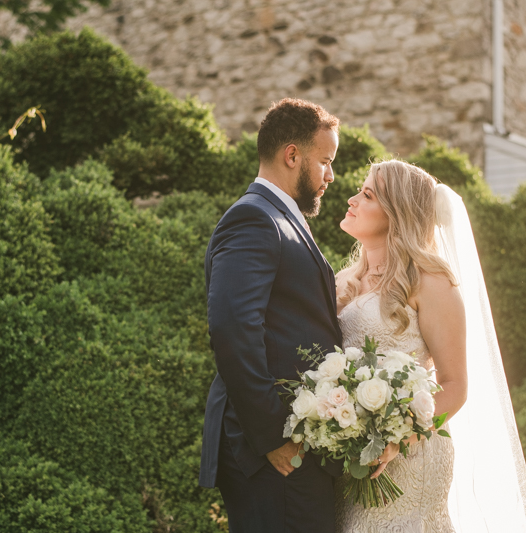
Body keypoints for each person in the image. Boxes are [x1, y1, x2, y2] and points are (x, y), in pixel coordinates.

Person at [333, 161, 526, 532]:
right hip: (350, 457)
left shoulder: (431, 282)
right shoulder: (344, 281)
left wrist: (397, 437)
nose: (351, 199)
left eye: (367, 195)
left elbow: (456, 385)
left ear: (397, 212)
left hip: (410, 458)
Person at [198, 98, 344, 532]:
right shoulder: (254, 218)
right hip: (270, 451)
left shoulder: (282, 217)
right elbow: (232, 327)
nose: (330, 175)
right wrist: (272, 437)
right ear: (292, 155)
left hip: (293, 447)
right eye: (325, 161)